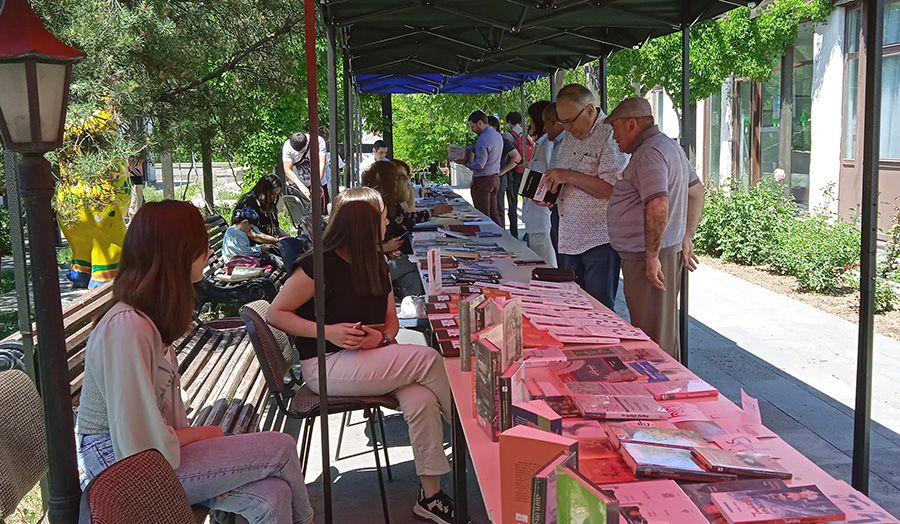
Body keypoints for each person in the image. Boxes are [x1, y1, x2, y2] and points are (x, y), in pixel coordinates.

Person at [75, 200, 314, 524]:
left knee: (272, 496)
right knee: (282, 446)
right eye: (200, 243)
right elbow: (136, 443)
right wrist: (200, 436)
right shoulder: (127, 327)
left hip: (152, 454)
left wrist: (197, 435)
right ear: (177, 252)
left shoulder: (151, 318)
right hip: (119, 467)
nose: (207, 251)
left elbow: (156, 430)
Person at [267, 187, 456, 524]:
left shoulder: (376, 262)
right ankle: (468, 432)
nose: (387, 223)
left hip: (370, 359)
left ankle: (431, 497)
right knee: (428, 359)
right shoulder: (317, 265)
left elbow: (391, 322)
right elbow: (276, 314)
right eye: (382, 217)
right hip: (324, 365)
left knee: (422, 397)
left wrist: (380, 336)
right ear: (364, 225)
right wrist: (330, 331)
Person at [605, 97, 704, 360]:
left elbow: (659, 204)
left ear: (631, 124)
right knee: (661, 331)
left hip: (649, 257)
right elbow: (696, 191)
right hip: (658, 253)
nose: (614, 137)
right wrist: (686, 236)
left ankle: (663, 394)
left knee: (653, 338)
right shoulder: (668, 146)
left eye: (614, 128)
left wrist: (651, 256)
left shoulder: (649, 152)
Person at [538, 84, 630, 312]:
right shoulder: (570, 136)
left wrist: (568, 175)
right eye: (562, 122)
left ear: (590, 110)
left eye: (570, 121)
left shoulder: (610, 135)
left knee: (598, 308)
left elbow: (611, 188)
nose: (566, 128)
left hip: (598, 239)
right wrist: (551, 195)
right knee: (572, 304)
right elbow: (567, 181)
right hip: (567, 234)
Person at [363, 161, 452, 299]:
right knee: (418, 264)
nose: (386, 221)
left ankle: (414, 311)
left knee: (414, 278)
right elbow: (359, 249)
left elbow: (407, 216)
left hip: (381, 260)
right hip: (366, 270)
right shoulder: (368, 207)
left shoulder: (384, 203)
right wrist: (385, 248)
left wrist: (386, 249)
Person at [521, 100, 557, 266]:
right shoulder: (540, 145)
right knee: (538, 258)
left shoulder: (548, 145)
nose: (530, 125)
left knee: (546, 262)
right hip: (534, 216)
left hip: (543, 218)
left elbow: (552, 176)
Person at [457, 110, 503, 224]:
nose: (472, 130)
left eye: (473, 126)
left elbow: (479, 164)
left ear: (480, 123)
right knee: (494, 212)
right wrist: (473, 148)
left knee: (483, 214)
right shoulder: (497, 135)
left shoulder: (483, 138)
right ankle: (501, 235)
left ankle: (488, 238)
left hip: (483, 181)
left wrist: (466, 164)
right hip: (495, 178)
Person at [488, 116, 522, 234]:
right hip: (508, 176)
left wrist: (502, 171)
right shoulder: (524, 134)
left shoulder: (502, 139)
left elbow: (517, 156)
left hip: (502, 177)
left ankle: (501, 234)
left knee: (497, 208)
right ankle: (511, 233)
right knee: (502, 208)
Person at [233, 173, 291, 243]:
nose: (275, 198)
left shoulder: (268, 203)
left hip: (268, 243)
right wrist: (275, 240)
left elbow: (276, 228)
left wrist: (288, 237)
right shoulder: (247, 204)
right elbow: (250, 233)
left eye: (277, 194)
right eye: (272, 194)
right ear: (263, 190)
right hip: (251, 248)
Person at [502, 112, 534, 238]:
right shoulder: (527, 134)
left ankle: (514, 233)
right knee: (527, 203)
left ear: (509, 122)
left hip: (512, 173)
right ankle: (528, 232)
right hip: (526, 172)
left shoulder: (508, 135)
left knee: (512, 203)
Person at [282, 131, 327, 203]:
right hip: (298, 185)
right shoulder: (287, 147)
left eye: (303, 150)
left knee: (321, 210)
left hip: (319, 183)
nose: (301, 153)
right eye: (298, 152)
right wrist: (301, 186)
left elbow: (321, 163)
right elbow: (287, 170)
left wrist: (316, 183)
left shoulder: (318, 141)